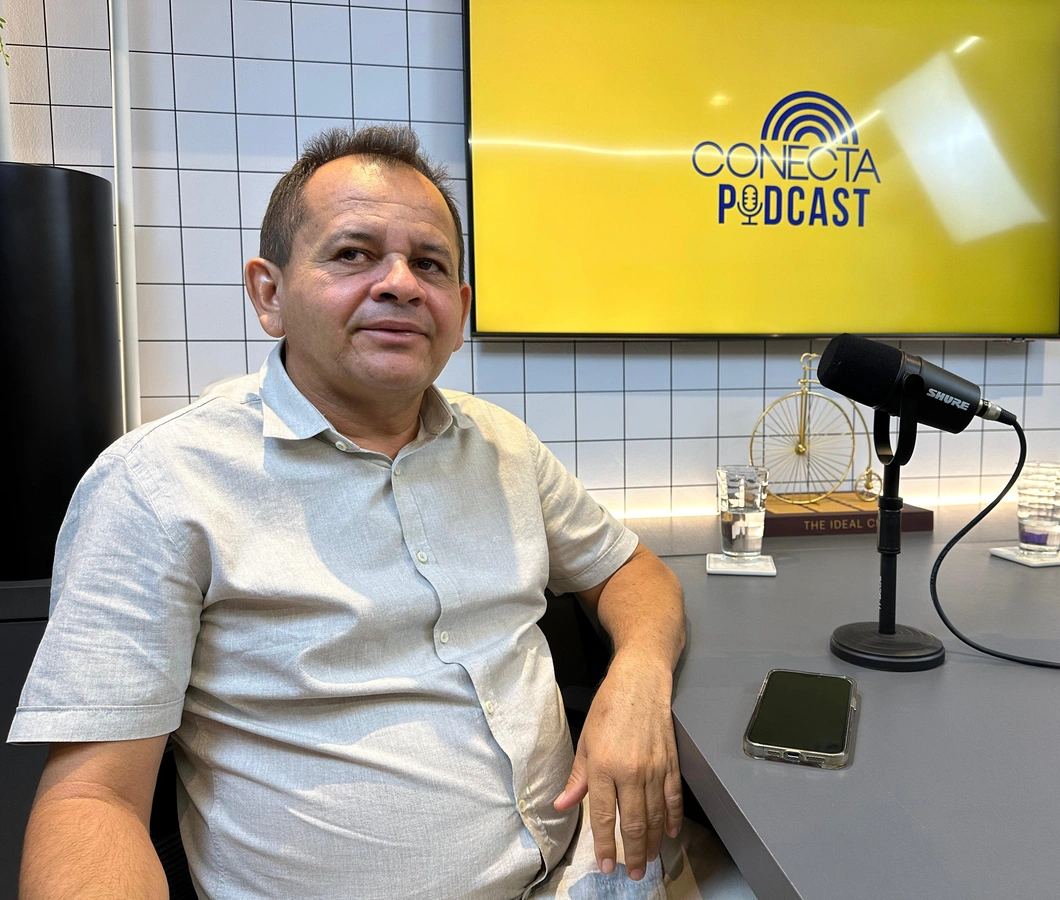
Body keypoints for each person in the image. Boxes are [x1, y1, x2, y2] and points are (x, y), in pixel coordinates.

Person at [10, 126, 753, 899]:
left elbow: (631, 571)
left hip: (589, 868)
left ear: (458, 309)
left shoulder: (504, 447)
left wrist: (636, 678)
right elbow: (91, 799)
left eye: (429, 264)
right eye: (353, 254)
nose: (400, 283)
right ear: (269, 293)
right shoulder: (157, 485)